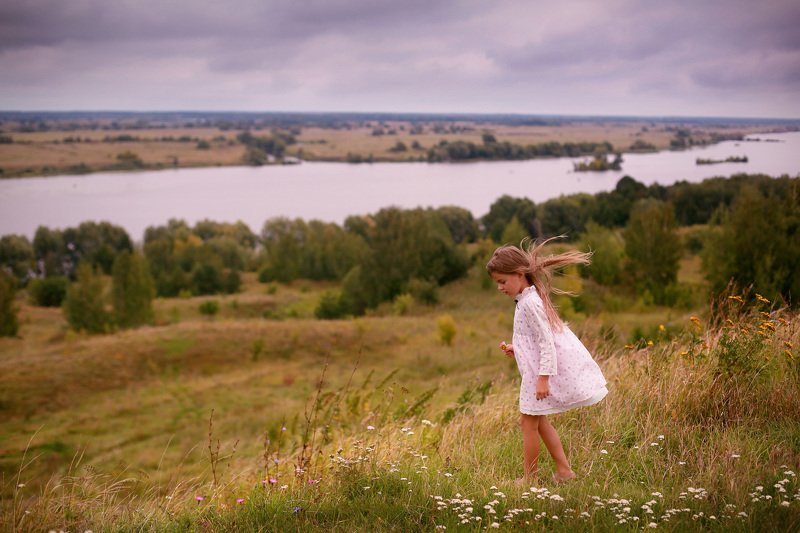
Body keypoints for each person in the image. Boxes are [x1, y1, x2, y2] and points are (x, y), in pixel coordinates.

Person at [487, 238, 608, 485]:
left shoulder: (530, 303)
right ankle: (564, 471)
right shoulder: (525, 299)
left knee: (528, 423)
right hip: (534, 373)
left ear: (519, 274)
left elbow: (547, 342)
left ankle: (530, 479)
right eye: (497, 283)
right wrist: (517, 349)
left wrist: (543, 378)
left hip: (537, 377)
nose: (500, 287)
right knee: (538, 422)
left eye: (502, 281)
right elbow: (534, 339)